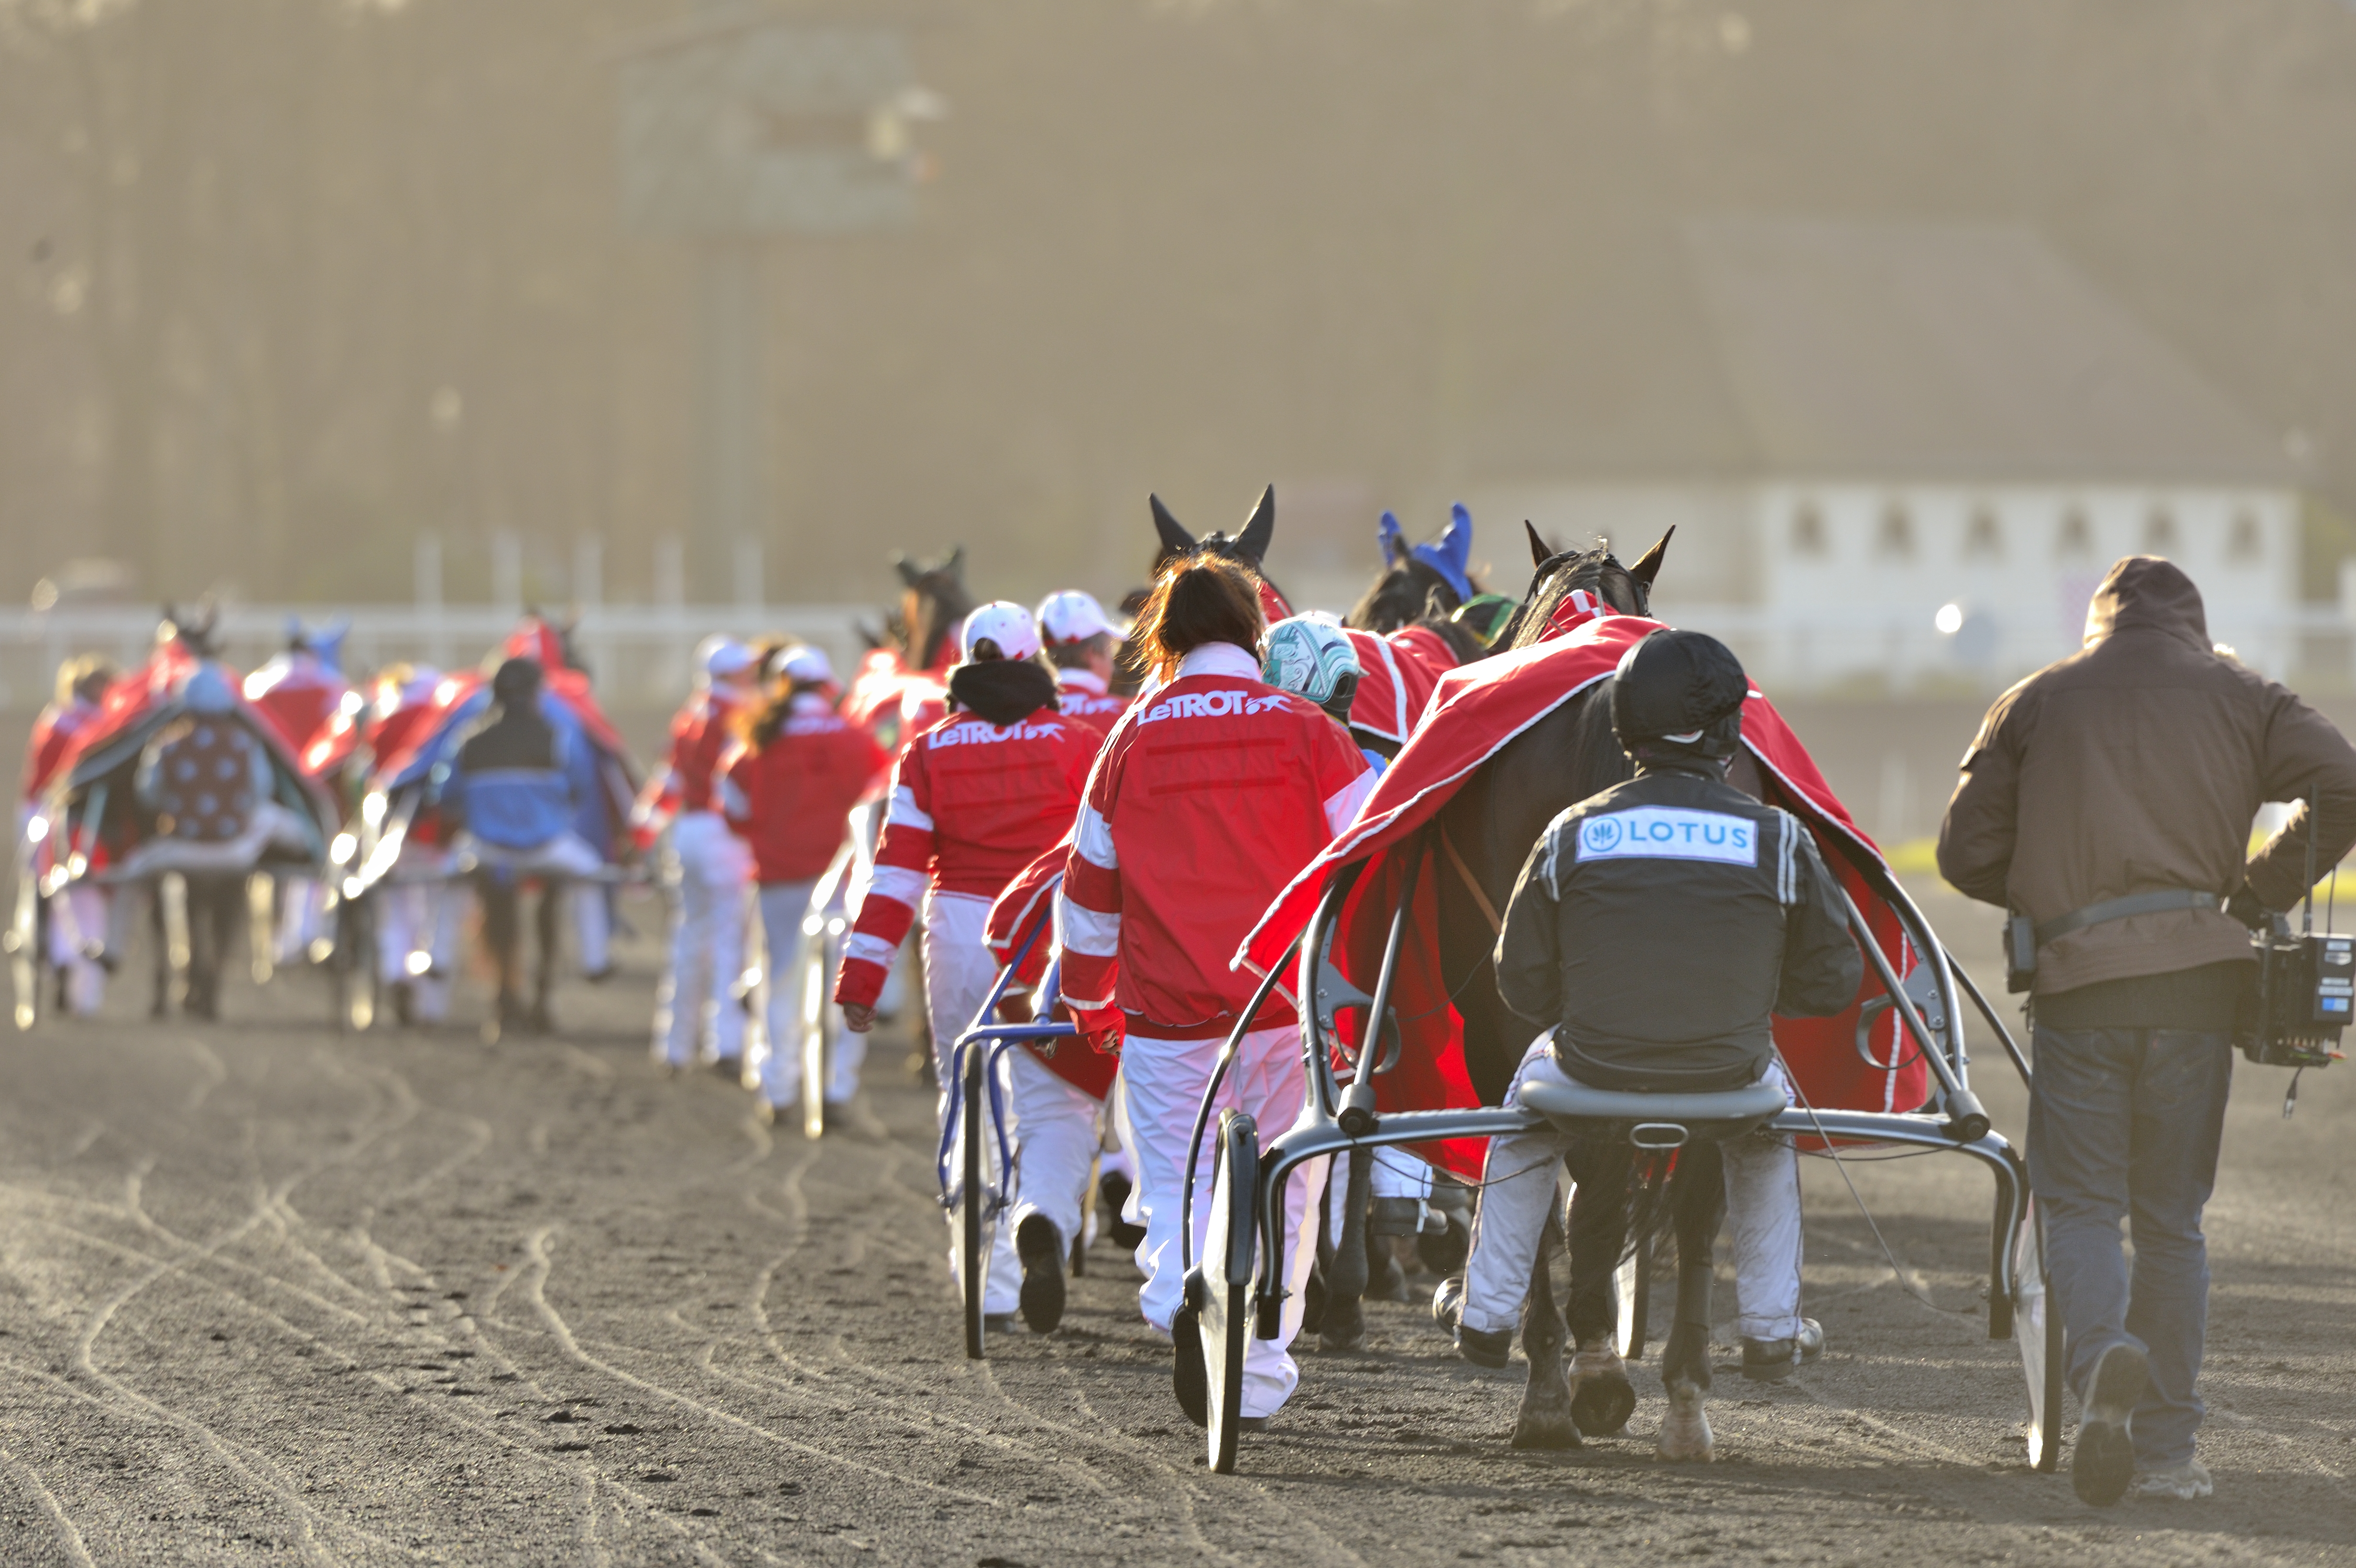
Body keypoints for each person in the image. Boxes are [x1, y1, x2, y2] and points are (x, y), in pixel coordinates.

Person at [1937, 555, 2356, 1506]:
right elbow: (2344, 780)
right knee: (2172, 1220)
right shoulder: (2243, 693)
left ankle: (2101, 1362)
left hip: (2081, 982)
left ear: (2101, 623)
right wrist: (2254, 893)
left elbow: (1963, 848)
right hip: (2200, 987)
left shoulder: (2033, 699)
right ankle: (2168, 1452)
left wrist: (2051, 894)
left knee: (2081, 1203)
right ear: (2191, 625)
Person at [1449, 630, 1860, 1388]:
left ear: (1623, 727)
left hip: (1590, 1065)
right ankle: (1771, 1328)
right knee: (1767, 1134)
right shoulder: (1779, 837)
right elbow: (1833, 981)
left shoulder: (1568, 832)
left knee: (1522, 1126)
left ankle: (1486, 1314)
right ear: (1728, 729)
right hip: (1730, 1070)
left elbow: (1520, 984)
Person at [1055, 552, 1376, 1424]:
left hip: (1166, 1018)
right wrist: (1354, 995)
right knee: (1289, 1189)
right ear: (1252, 631)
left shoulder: (1128, 736)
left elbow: (1088, 887)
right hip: (1281, 1011)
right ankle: (1259, 1365)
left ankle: (1186, 1302)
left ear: (1163, 639)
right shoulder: (1310, 729)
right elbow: (1365, 865)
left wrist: (1085, 998)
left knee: (1176, 1184)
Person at [835, 603, 1103, 1330]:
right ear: (1034, 661)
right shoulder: (1084, 744)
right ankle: (1040, 1223)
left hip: (956, 928)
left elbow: (893, 878)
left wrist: (862, 979)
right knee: (1057, 1093)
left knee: (964, 1084)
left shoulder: (927, 749)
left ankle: (980, 1282)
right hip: (1050, 931)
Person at [720, 644, 888, 1122]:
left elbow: (732, 806)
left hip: (778, 881)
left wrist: (766, 834)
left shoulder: (756, 737)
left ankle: (778, 1090)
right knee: (849, 988)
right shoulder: (855, 737)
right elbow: (883, 800)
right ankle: (836, 1091)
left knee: (780, 984)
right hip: (842, 881)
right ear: (826, 685)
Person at [438, 657, 602, 1036]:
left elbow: (445, 797)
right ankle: (595, 959)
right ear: (535, 694)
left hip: (485, 847)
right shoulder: (560, 736)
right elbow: (580, 788)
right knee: (589, 875)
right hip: (548, 846)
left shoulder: (466, 739)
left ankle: (441, 957)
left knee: (453, 883)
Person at [647, 639, 762, 1071]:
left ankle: (674, 1045)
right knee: (733, 938)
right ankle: (726, 1045)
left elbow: (668, 784)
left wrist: (644, 835)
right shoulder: (739, 715)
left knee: (689, 937)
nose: (751, 679)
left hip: (688, 832)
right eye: (744, 673)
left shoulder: (689, 714)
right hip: (722, 833)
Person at [22, 655, 119, 1015]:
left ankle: (56, 950)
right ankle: (51, 946)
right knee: (50, 883)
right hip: (56, 815)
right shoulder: (93, 726)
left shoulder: (54, 719)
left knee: (51, 886)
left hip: (52, 813)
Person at [1036, 590, 1132, 733]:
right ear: (1091, 653)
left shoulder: (1021, 717)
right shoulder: (1130, 715)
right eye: (1110, 651)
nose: (1113, 666)